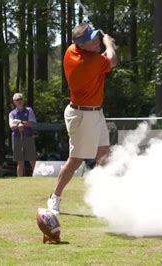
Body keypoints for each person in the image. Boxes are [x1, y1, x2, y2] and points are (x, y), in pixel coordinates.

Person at [47, 23, 117, 215]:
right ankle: (55, 197)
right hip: (81, 115)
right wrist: (108, 43)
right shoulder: (87, 62)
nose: (96, 42)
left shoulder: (73, 49)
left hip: (95, 112)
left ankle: (105, 198)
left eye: (96, 37)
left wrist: (97, 40)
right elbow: (112, 61)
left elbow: (102, 57)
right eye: (91, 41)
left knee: (104, 154)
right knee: (76, 160)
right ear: (82, 46)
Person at [9, 93, 37, 176]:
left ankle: (37, 177)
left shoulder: (29, 110)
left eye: (21, 99)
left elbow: (32, 123)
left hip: (28, 136)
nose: (19, 101)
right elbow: (12, 126)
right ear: (14, 102)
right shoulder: (12, 113)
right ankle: (20, 180)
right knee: (20, 161)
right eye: (17, 100)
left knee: (32, 159)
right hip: (17, 138)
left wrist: (21, 123)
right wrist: (18, 125)